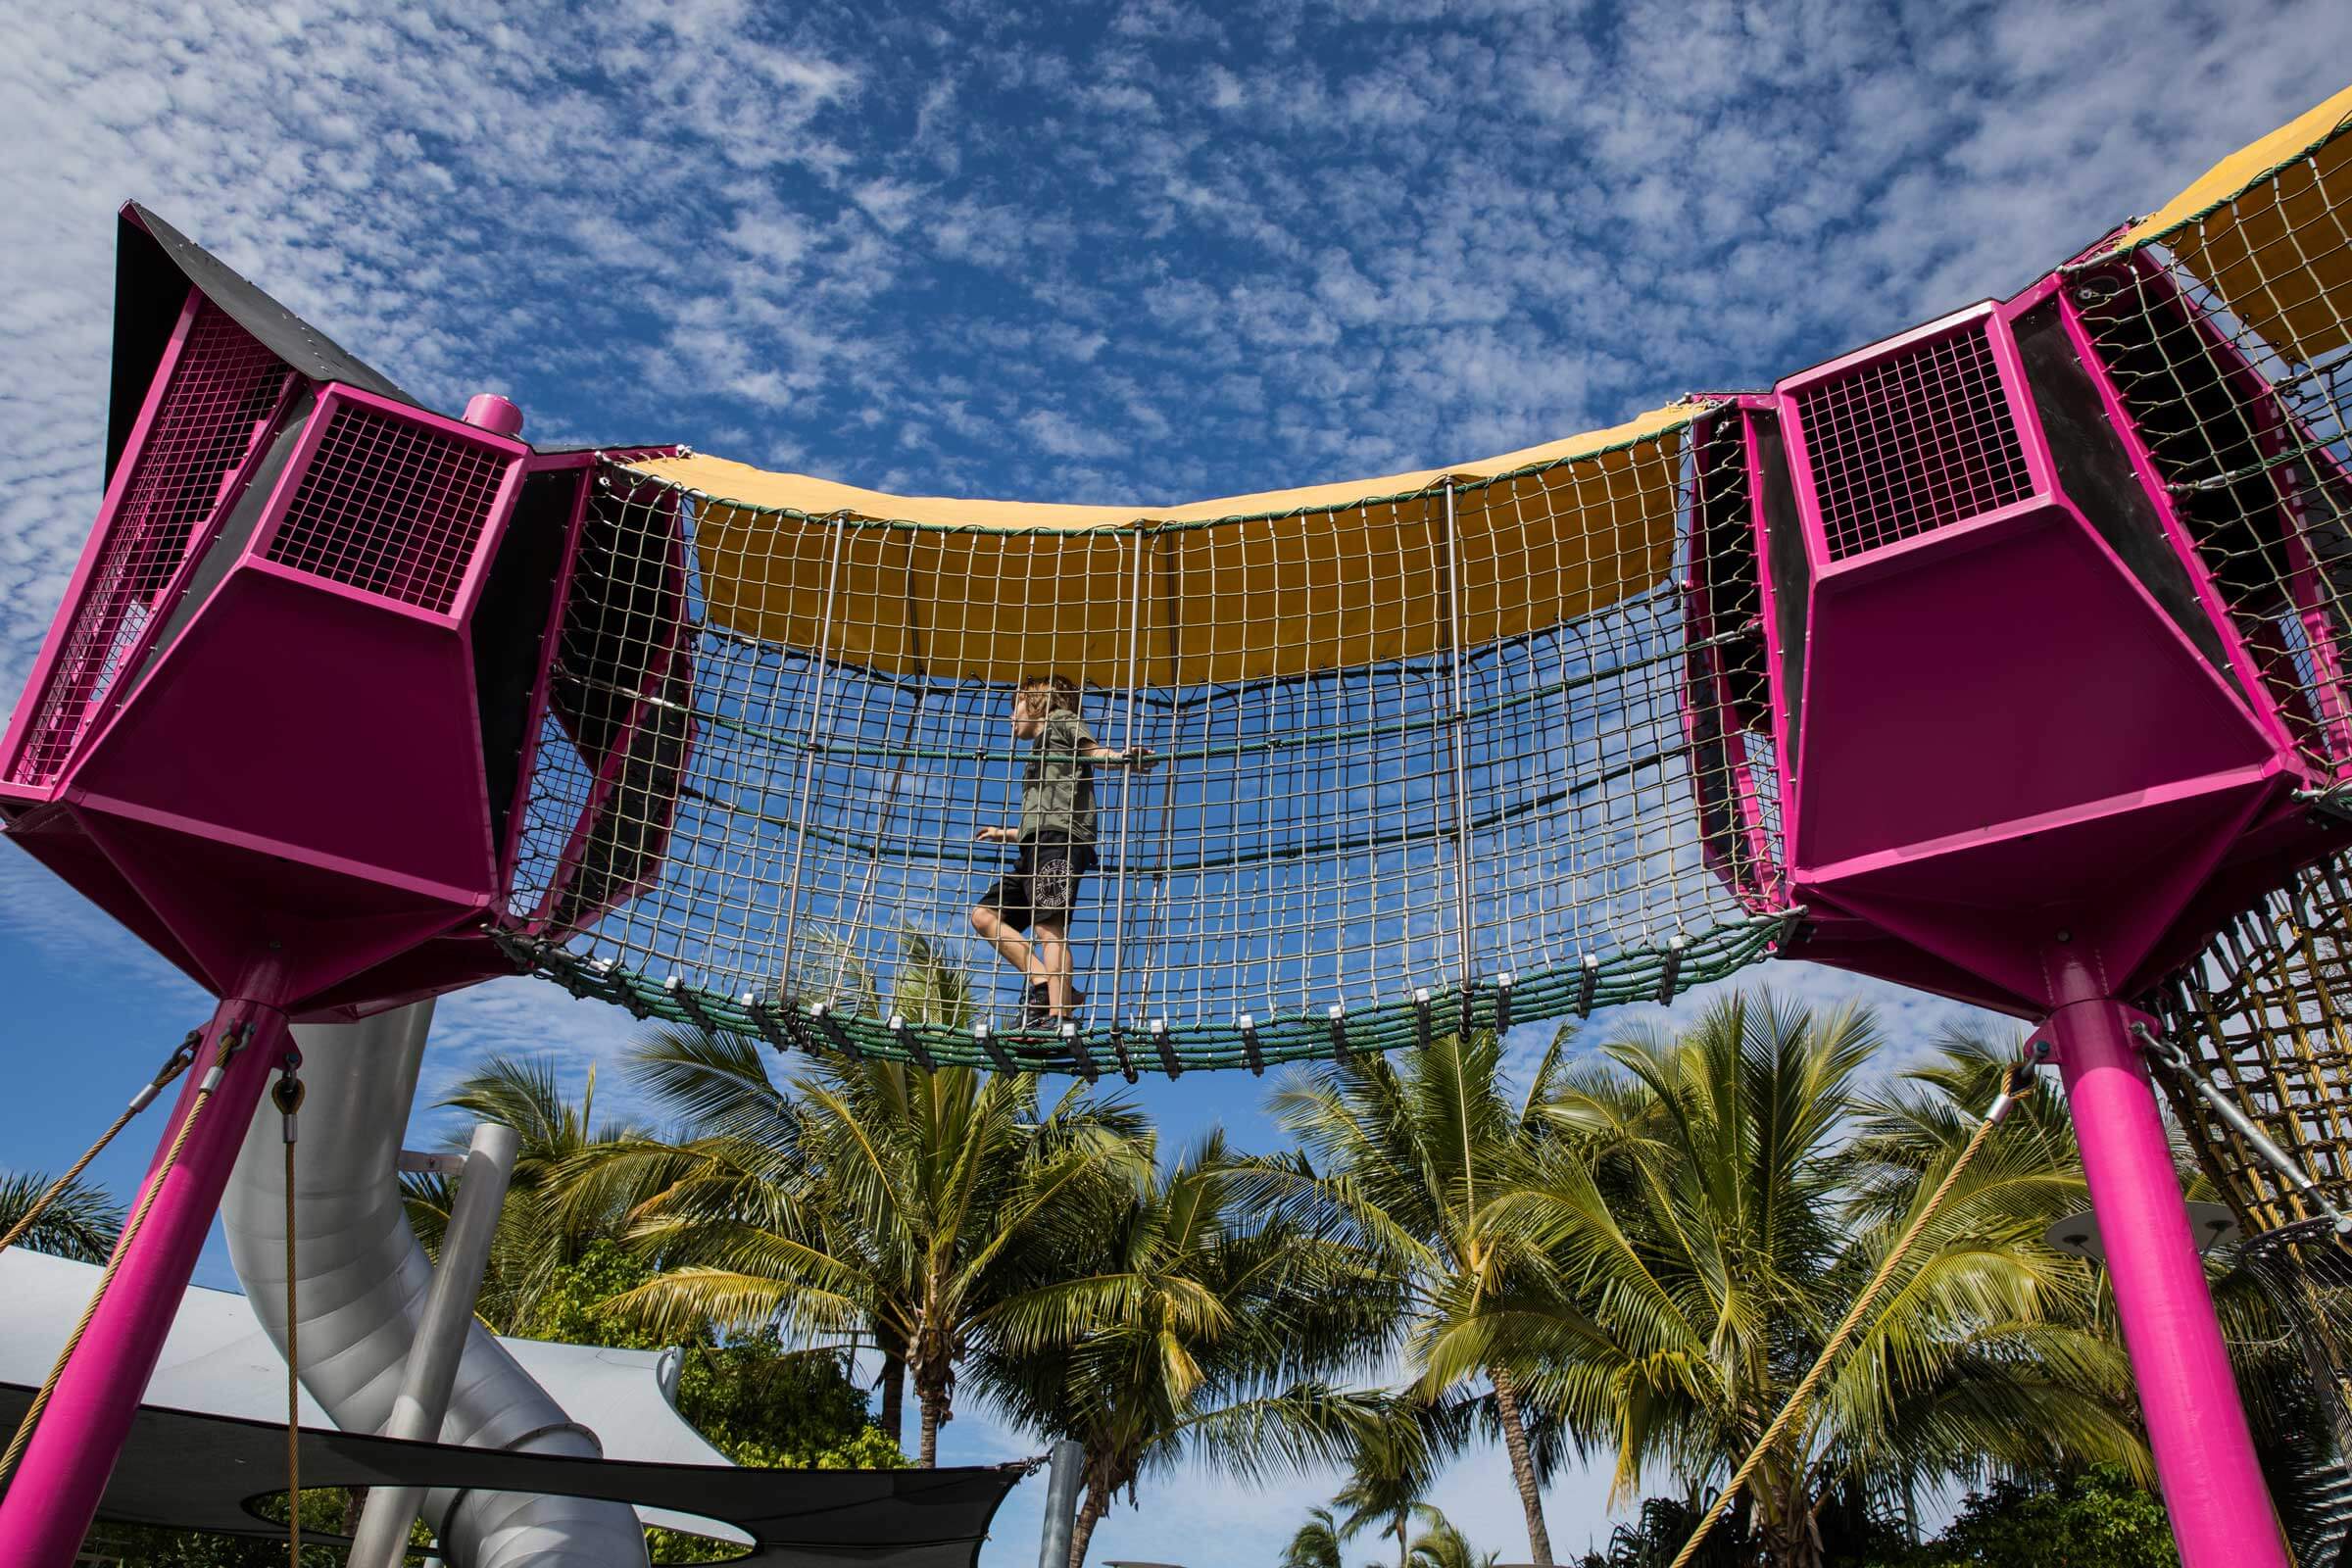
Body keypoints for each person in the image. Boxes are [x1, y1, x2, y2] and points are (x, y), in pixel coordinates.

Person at [968, 675, 1149, 1028]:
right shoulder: (1037, 752)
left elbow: (1092, 752)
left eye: (1014, 706)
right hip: (1036, 845)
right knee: (984, 916)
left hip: (1062, 844)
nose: (1010, 718)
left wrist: (1122, 758)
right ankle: (1043, 982)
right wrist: (1003, 833)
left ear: (1034, 703)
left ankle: (1059, 1016)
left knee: (1049, 927)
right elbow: (1044, 814)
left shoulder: (1061, 722)